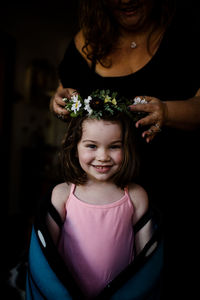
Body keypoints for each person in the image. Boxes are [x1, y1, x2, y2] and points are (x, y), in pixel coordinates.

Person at [49, 0, 200, 297]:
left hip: (182, 196)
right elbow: (62, 92)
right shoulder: (86, 41)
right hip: (102, 206)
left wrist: (167, 112)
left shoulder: (189, 30)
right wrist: (58, 102)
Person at [46, 90, 155, 299]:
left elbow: (146, 263)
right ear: (75, 147)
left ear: (127, 148)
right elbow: (47, 258)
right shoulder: (62, 195)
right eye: (91, 146)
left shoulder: (136, 196)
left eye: (114, 146)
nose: (103, 156)